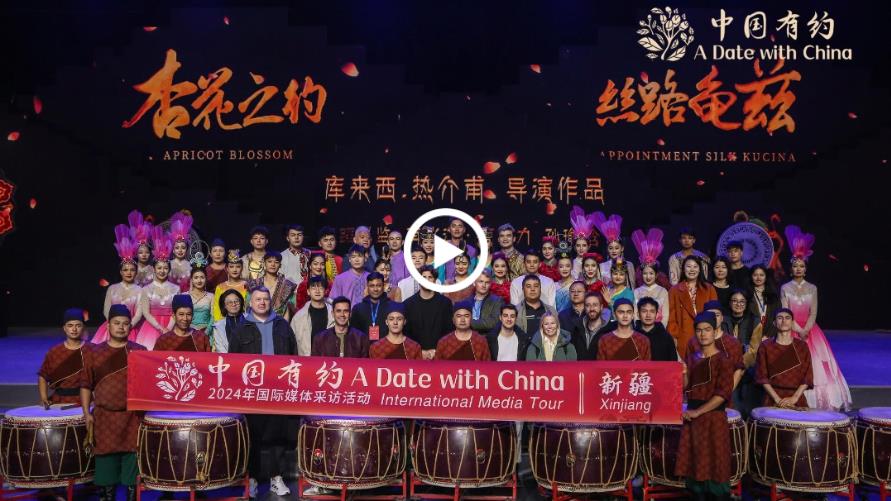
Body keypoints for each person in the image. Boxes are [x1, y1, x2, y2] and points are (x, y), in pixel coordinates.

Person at [228, 287, 296, 497]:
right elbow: (232, 362)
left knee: (278, 437)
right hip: (252, 393)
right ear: (251, 303)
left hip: (278, 390)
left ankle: (277, 478)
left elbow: (294, 356)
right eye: (258, 299)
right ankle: (253, 479)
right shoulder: (241, 328)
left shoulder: (282, 325)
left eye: (266, 299)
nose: (262, 302)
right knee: (253, 437)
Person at [780, 225, 852, 410]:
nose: (798, 269)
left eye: (801, 266)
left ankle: (819, 401)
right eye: (795, 266)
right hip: (791, 330)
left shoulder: (812, 288)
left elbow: (813, 312)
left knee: (817, 365)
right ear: (791, 269)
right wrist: (797, 330)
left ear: (805, 269)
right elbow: (785, 312)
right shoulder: (785, 288)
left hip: (811, 331)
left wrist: (806, 329)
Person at [80, 304, 146, 501]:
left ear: (130, 327)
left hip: (132, 417)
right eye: (117, 323)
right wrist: (86, 413)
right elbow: (85, 384)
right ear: (108, 325)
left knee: (132, 461)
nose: (121, 327)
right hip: (104, 417)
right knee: (106, 466)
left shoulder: (139, 351)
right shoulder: (93, 352)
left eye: (125, 324)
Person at [675, 311, 735, 501]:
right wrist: (684, 373)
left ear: (715, 332)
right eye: (699, 330)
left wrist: (697, 412)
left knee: (716, 462)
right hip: (693, 419)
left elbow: (723, 394)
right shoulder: (692, 358)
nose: (703, 334)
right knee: (695, 462)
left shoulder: (724, 360)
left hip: (713, 418)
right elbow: (685, 387)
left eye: (707, 329)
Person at [755, 308, 814, 408]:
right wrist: (777, 400)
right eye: (780, 318)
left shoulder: (802, 346)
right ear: (774, 323)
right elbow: (762, 377)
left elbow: (808, 377)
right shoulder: (765, 346)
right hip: (772, 398)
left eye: (787, 318)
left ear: (792, 323)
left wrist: (794, 398)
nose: (784, 321)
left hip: (797, 399)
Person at [93, 231, 142, 343]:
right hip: (111, 327)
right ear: (121, 272)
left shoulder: (140, 290)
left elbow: (139, 313)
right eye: (125, 270)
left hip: (130, 328)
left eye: (132, 270)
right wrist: (113, 324)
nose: (129, 272)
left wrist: (129, 326)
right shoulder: (112, 288)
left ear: (136, 272)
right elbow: (106, 309)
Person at [134, 230, 179, 350]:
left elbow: (176, 311)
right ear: (154, 269)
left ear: (169, 270)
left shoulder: (176, 288)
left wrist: (168, 328)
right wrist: (160, 328)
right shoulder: (146, 289)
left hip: (171, 326)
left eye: (165, 268)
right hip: (151, 327)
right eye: (159, 268)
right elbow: (146, 312)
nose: (162, 271)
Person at [686, 301, 744, 393]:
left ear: (722, 318)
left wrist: (726, 392)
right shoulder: (693, 342)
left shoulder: (732, 342)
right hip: (699, 392)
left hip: (726, 392)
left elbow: (738, 370)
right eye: (709, 315)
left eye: (717, 315)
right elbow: (689, 370)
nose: (713, 318)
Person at [668, 255, 718, 358]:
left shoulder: (709, 289)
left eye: (695, 266)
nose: (692, 270)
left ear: (700, 270)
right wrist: (674, 336)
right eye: (688, 266)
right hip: (683, 337)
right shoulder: (674, 290)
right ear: (683, 269)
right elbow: (671, 318)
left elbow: (715, 315)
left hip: (705, 335)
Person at [39, 308, 91, 406]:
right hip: (58, 401)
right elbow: (43, 376)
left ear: (83, 327)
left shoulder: (91, 350)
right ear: (64, 328)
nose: (74, 329)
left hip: (85, 400)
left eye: (78, 325)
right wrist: (44, 398)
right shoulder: (55, 352)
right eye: (70, 325)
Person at [726, 290, 764, 417]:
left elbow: (754, 350)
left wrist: (740, 366)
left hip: (747, 370)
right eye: (735, 301)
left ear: (747, 304)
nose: (738, 304)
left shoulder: (755, 321)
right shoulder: (723, 320)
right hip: (726, 370)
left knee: (746, 410)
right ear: (730, 303)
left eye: (742, 301)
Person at [403, 266, 454, 359]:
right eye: (424, 277)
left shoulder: (445, 303)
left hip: (440, 355)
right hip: (415, 356)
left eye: (430, 277)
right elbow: (406, 334)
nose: (426, 280)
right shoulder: (408, 304)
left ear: (435, 280)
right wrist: (419, 352)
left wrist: (437, 351)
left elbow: (449, 331)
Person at [631, 228, 669, 328]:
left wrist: (659, 330)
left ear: (656, 275)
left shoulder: (663, 291)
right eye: (645, 273)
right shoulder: (636, 292)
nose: (648, 277)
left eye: (651, 273)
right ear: (641, 274)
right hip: (640, 330)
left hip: (658, 330)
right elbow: (635, 314)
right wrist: (639, 329)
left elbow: (665, 315)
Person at [247, 252, 297, 320]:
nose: (273, 264)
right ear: (264, 263)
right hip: (257, 321)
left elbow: (291, 308)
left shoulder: (287, 285)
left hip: (280, 321)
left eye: (276, 262)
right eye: (269, 261)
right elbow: (248, 306)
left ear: (280, 265)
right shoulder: (253, 284)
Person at [291, 276, 333, 356]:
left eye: (320, 287)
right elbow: (292, 343)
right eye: (313, 287)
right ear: (308, 291)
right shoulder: (298, 317)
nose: (317, 291)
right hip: (306, 360)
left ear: (325, 291)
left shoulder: (334, 314)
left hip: (329, 359)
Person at [593, 211, 636, 289]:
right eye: (610, 248)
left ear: (622, 248)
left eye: (617, 248)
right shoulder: (601, 266)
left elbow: (632, 286)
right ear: (607, 249)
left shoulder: (629, 265)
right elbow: (600, 288)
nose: (614, 251)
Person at [572, 292, 614, 360]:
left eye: (595, 305)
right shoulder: (577, 329)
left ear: (601, 307)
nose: (591, 309)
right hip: (580, 367)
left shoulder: (609, 331)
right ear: (584, 308)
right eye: (588, 305)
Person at [350, 272, 391, 340]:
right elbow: (354, 334)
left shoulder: (392, 307)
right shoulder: (358, 308)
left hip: (386, 345)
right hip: (364, 345)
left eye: (378, 285)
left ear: (383, 286)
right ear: (367, 287)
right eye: (372, 286)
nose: (375, 289)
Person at [635, 297, 678, 362]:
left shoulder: (666, 337)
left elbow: (673, 361)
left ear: (657, 314)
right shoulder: (632, 336)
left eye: (652, 311)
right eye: (644, 311)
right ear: (638, 314)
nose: (648, 315)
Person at [211, 250, 248, 322]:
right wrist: (220, 324)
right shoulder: (220, 287)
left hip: (244, 322)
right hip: (224, 323)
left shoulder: (247, 285)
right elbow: (217, 309)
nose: (235, 270)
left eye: (238, 266)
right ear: (227, 268)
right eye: (231, 267)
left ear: (242, 268)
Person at [126, 210, 155, 287]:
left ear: (150, 253)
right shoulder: (130, 269)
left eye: (147, 252)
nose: (144, 255)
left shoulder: (154, 269)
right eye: (141, 252)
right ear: (136, 253)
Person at [212, 289, 245, 353]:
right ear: (224, 305)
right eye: (230, 302)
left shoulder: (251, 320)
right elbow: (220, 348)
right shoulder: (218, 326)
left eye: (236, 301)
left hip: (250, 357)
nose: (234, 304)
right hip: (228, 358)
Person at [168, 211, 193, 292]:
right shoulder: (168, 265)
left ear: (186, 249)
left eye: (183, 247)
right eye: (177, 248)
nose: (180, 250)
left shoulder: (190, 265)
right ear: (173, 250)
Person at [568, 206, 597, 278]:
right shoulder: (570, 263)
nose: (581, 248)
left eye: (584, 245)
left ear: (588, 246)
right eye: (578, 245)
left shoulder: (595, 263)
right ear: (574, 247)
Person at [188, 266, 212, 334]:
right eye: (196, 277)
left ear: (206, 279)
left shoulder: (211, 296)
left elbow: (213, 317)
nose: (199, 281)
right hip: (188, 333)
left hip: (206, 332)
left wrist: (206, 332)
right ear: (192, 280)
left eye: (202, 277)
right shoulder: (184, 296)